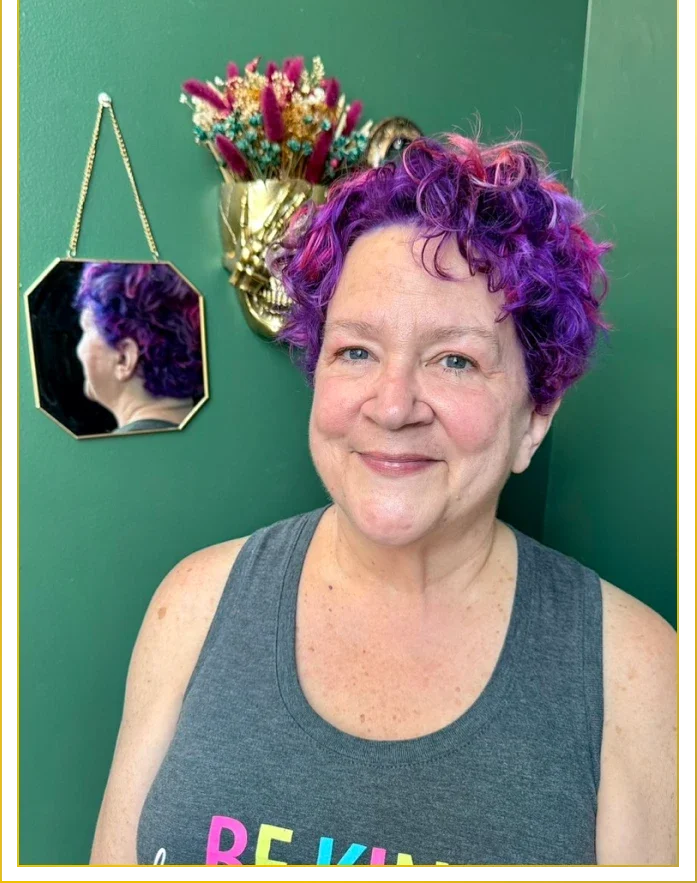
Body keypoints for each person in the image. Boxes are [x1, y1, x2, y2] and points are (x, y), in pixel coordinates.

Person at [89, 135, 676, 869]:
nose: (392, 405)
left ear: (534, 417)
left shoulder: (633, 670)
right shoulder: (192, 605)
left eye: (455, 358)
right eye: (356, 351)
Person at [73, 262, 203, 435]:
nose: (79, 350)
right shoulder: (222, 439)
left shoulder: (106, 458)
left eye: (86, 328)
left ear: (124, 358)